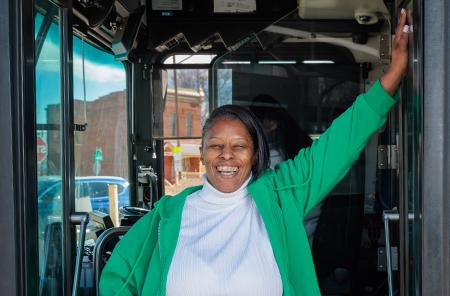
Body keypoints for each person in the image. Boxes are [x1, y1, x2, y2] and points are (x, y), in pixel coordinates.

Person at [100, 9, 410, 296]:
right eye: (216, 145)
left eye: (239, 146)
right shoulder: (166, 215)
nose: (227, 155)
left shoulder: (280, 195)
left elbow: (336, 147)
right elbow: (117, 277)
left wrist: (393, 75)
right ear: (203, 152)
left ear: (255, 153)